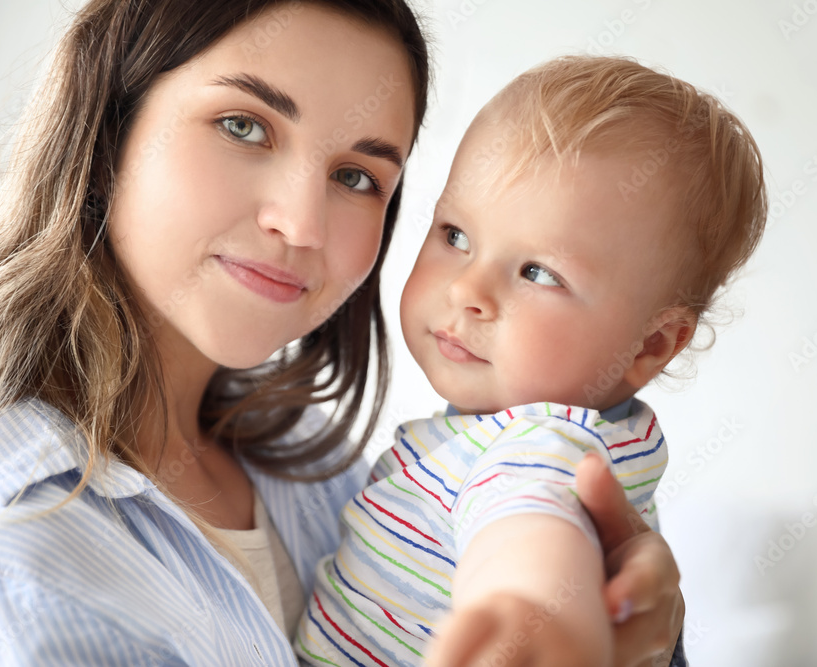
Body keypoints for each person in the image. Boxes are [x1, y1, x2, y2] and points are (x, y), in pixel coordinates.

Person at [0, 2, 685, 665]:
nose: (302, 224)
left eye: (356, 177)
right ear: (109, 123)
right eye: (244, 126)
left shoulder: (321, 467)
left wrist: (639, 637)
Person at [297, 55, 767, 667]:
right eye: (456, 235)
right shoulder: (519, 434)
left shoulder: (543, 442)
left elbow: (530, 531)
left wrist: (535, 618)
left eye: (538, 272)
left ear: (651, 346)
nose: (468, 290)